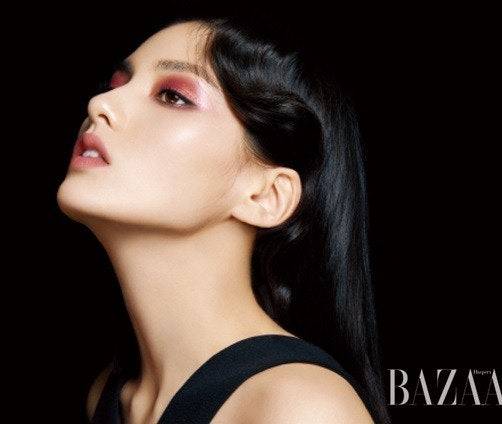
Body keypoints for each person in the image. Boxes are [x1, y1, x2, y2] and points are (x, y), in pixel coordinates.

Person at [57, 14, 390, 424]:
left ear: (265, 196)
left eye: (173, 96)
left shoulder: (300, 408)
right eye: (115, 85)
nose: (100, 105)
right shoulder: (109, 396)